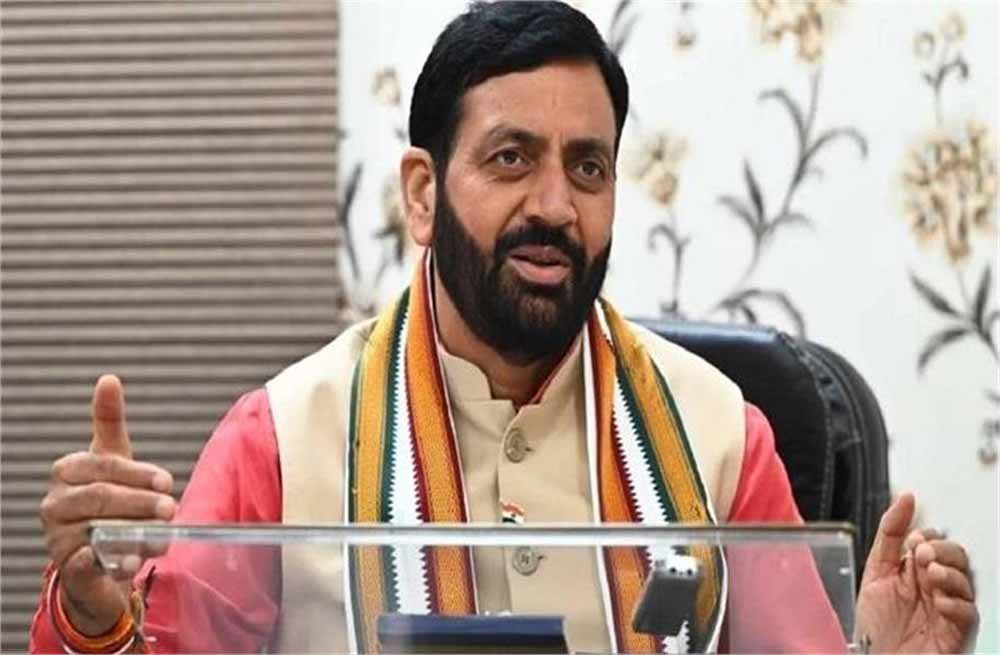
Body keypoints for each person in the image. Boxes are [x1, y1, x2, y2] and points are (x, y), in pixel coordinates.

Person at [31, 2, 977, 653]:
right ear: (422, 193)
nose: (556, 205)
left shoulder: (721, 433)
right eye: (512, 158)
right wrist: (91, 608)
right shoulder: (281, 437)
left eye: (588, 167)